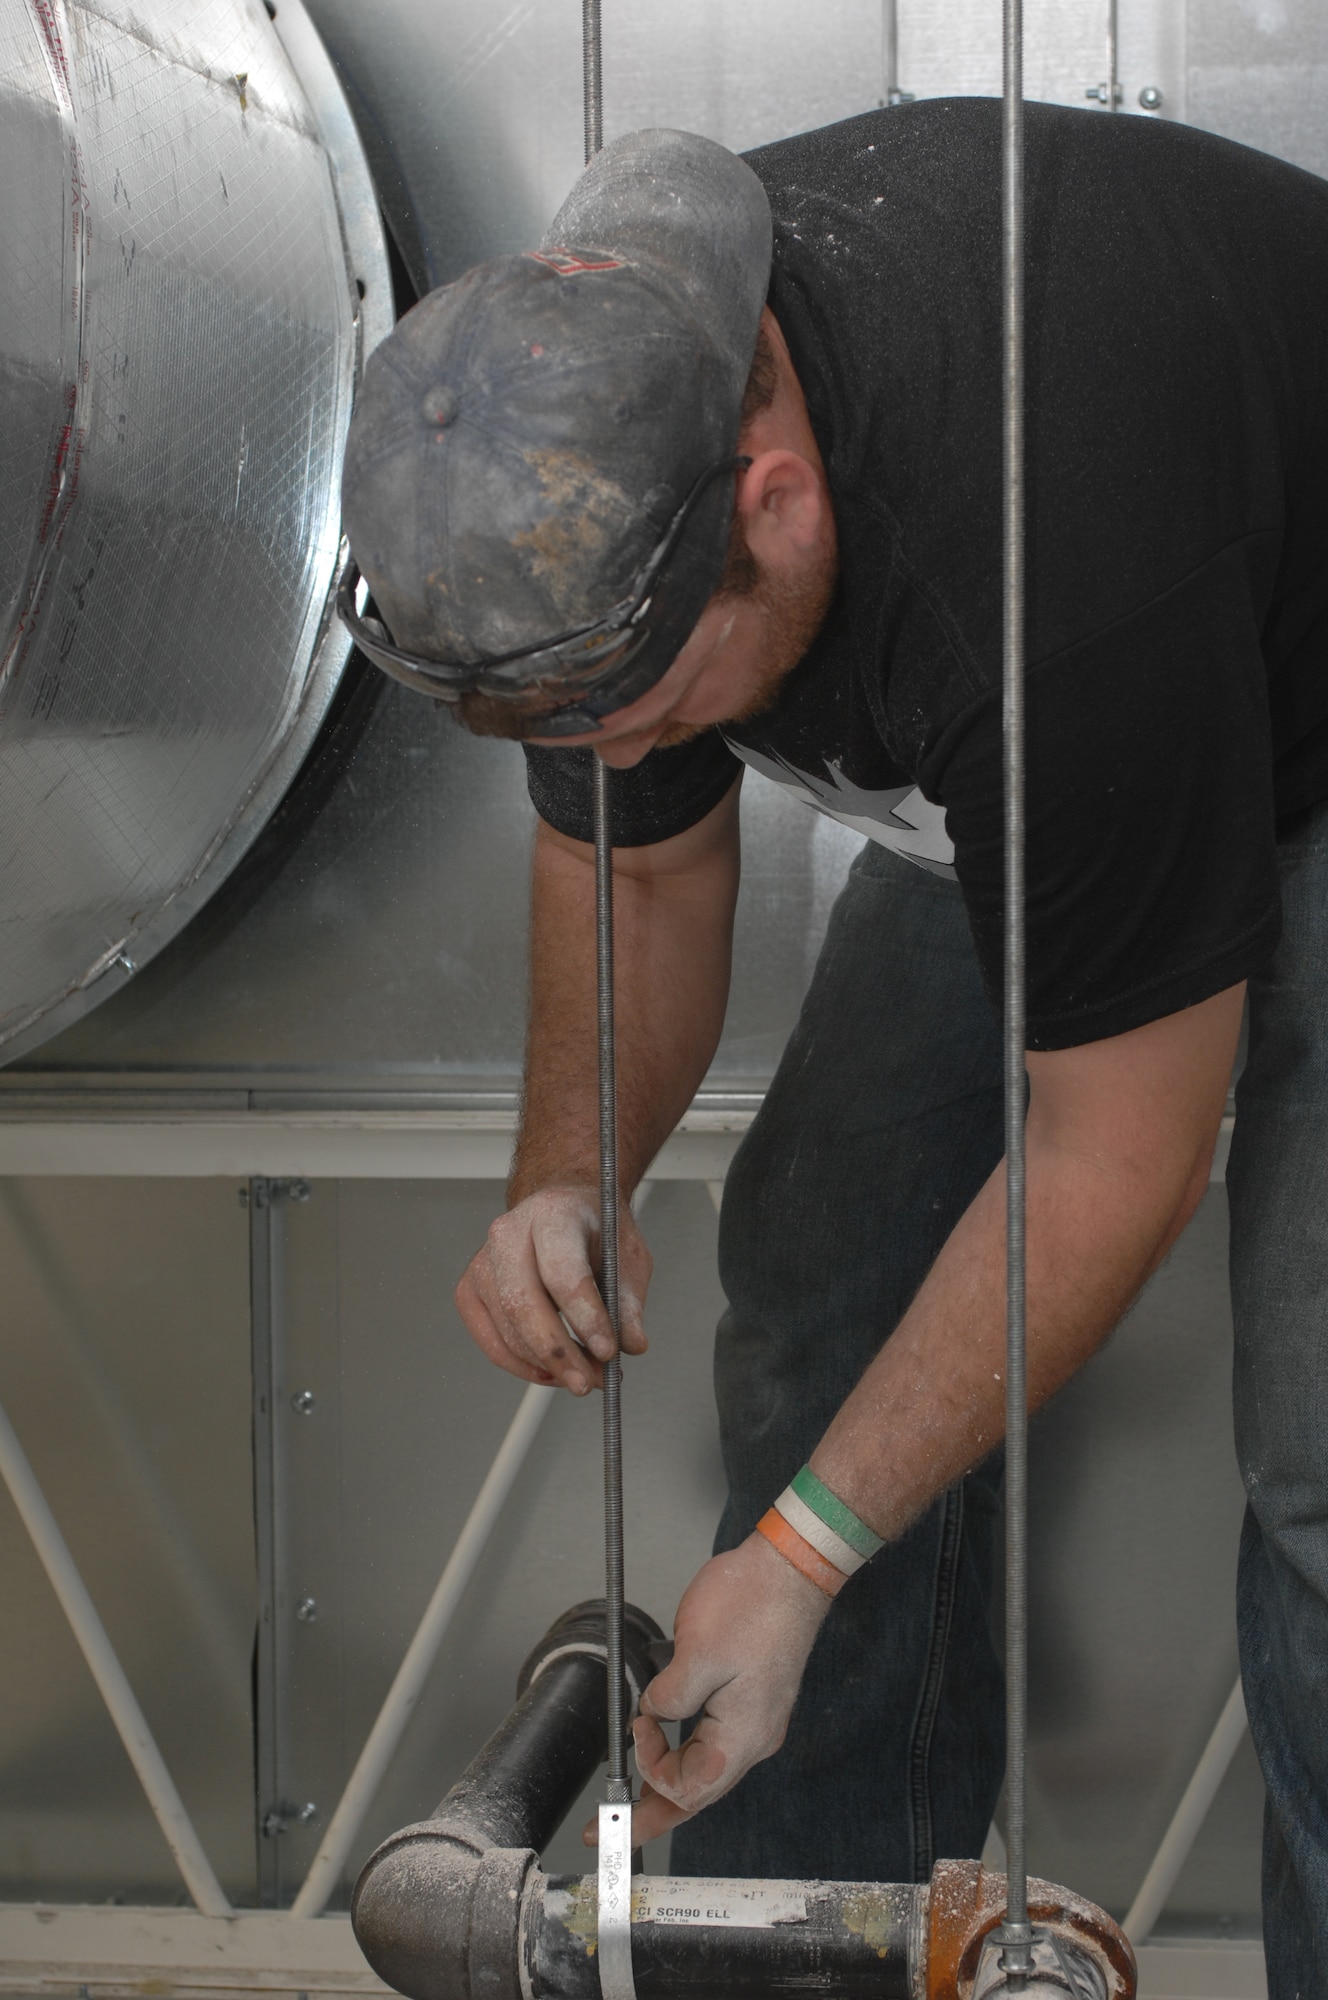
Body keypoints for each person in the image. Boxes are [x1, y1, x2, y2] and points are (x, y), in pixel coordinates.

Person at [338, 101, 1328, 1992]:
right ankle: (819, 1952)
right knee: (824, 1268)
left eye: (640, 714)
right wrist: (569, 1168)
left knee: (1324, 1468)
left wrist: (793, 1564)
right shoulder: (590, 469)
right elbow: (631, 876)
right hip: (1066, 742)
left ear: (775, 507)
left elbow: (1114, 1151)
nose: (617, 759)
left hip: (1268, 689)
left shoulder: (1042, 557)